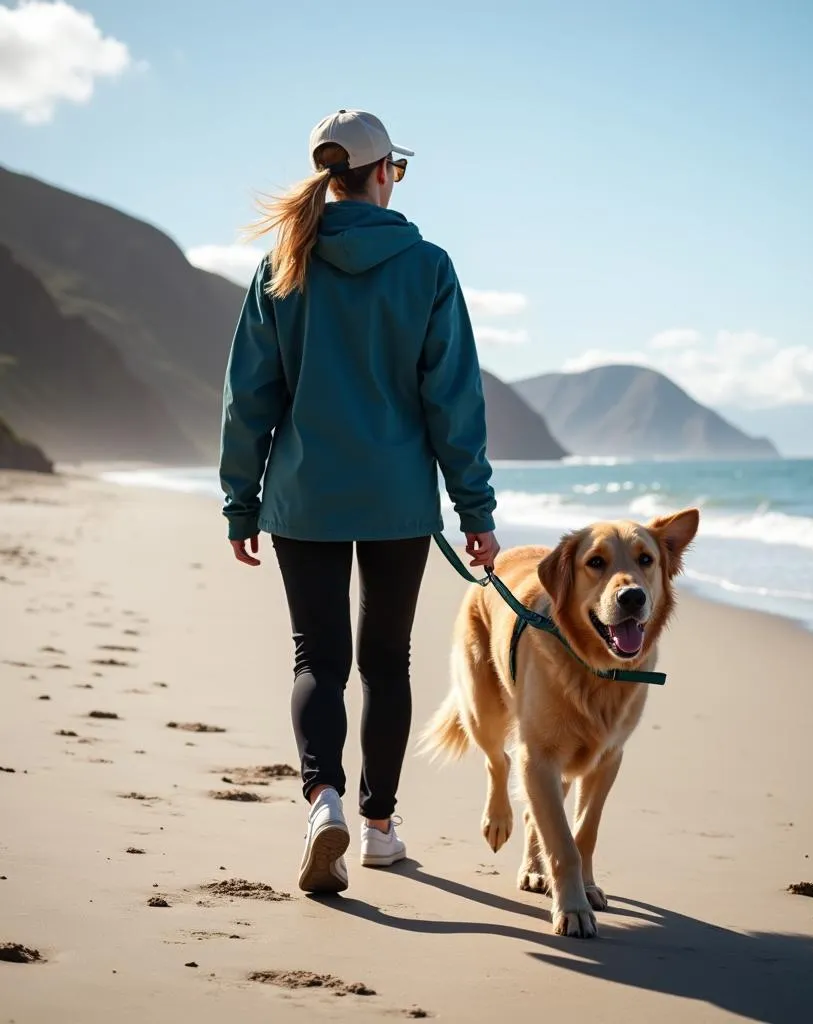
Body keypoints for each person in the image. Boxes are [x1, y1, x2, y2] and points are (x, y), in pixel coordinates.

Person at [218, 108, 500, 894]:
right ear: (383, 173)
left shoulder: (286, 263)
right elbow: (454, 401)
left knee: (318, 658)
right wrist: (475, 513)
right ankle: (378, 828)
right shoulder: (428, 266)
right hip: (397, 502)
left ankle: (322, 803)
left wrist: (240, 502)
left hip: (304, 497)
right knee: (386, 662)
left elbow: (248, 398)